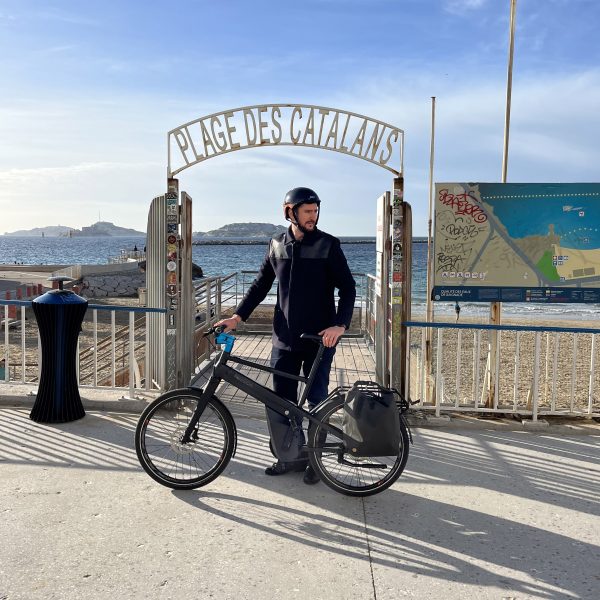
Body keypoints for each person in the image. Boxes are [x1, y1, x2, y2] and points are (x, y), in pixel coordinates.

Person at [215, 187, 356, 485]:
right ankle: (290, 456)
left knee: (316, 400)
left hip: (320, 339)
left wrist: (339, 325)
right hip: (284, 339)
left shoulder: (328, 245)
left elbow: (348, 288)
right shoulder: (276, 244)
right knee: (280, 402)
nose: (313, 216)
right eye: (307, 211)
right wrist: (238, 317)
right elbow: (259, 286)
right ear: (290, 212)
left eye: (316, 211)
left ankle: (316, 461)